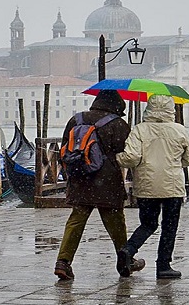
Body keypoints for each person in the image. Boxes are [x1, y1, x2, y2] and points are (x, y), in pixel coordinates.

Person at [54, 89, 145, 280]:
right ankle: (125, 259)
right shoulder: (118, 124)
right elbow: (126, 153)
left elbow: (64, 148)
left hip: (79, 179)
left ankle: (63, 261)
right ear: (118, 105)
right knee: (116, 222)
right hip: (107, 182)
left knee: (76, 220)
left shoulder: (76, 120)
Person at [115, 94, 189, 279]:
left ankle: (128, 249)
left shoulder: (139, 130)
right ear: (171, 109)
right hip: (172, 187)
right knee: (169, 226)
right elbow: (188, 158)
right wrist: (173, 164)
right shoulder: (179, 130)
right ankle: (163, 266)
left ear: (148, 108)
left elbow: (131, 158)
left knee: (148, 224)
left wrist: (116, 158)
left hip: (146, 186)